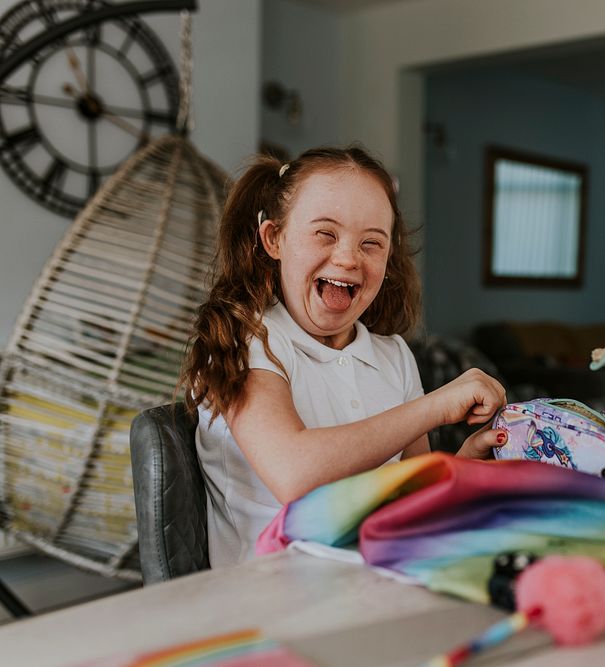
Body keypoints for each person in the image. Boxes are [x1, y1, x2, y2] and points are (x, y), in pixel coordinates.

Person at [179, 146, 508, 567]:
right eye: (325, 234)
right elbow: (295, 475)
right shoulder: (249, 340)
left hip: (379, 582)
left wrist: (466, 462)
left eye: (372, 243)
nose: (349, 257)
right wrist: (434, 407)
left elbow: (417, 504)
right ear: (274, 239)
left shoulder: (394, 356)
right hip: (272, 602)